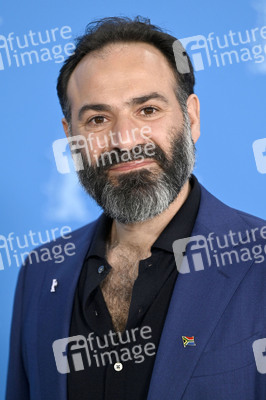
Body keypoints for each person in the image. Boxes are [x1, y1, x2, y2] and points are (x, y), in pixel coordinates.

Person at [6, 16, 266, 400]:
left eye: (147, 110)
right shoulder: (39, 272)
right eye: (97, 119)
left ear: (191, 118)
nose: (125, 142)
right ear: (71, 137)